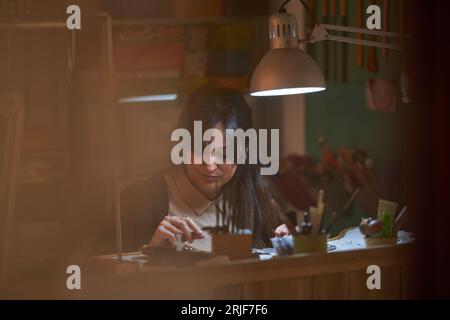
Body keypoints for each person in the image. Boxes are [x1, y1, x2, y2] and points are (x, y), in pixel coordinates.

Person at [118, 85, 289, 253]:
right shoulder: (135, 203)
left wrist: (288, 246)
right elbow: (96, 274)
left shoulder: (258, 200)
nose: (210, 165)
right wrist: (150, 252)